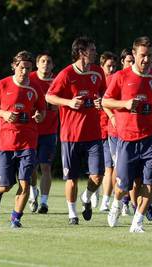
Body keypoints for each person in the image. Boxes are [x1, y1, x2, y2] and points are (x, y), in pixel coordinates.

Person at [103, 36, 152, 233]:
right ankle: (116, 204)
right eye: (142, 56)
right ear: (134, 54)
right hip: (127, 138)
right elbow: (106, 101)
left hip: (151, 138)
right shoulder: (121, 77)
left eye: (150, 56)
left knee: (150, 181)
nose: (146, 60)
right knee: (123, 185)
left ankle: (137, 221)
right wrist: (124, 104)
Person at [46, 36, 106, 225]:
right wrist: (69, 102)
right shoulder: (66, 74)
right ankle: (72, 214)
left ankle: (86, 198)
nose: (95, 53)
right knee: (71, 178)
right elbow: (49, 97)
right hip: (71, 135)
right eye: (92, 49)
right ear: (82, 52)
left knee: (98, 176)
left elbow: (104, 94)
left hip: (94, 134)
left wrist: (100, 101)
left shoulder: (98, 72)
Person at [0, 51, 45, 228]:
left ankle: (16, 218)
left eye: (28, 68)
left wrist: (39, 116)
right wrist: (4, 114)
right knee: (6, 185)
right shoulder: (2, 85)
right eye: (21, 67)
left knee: (25, 183)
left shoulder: (35, 88)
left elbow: (41, 110)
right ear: (14, 66)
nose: (24, 71)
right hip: (5, 143)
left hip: (28, 143)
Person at [27, 52, 57, 214]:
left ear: (53, 65)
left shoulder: (57, 81)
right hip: (30, 130)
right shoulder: (29, 79)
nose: (46, 63)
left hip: (50, 131)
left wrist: (56, 105)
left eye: (49, 61)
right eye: (43, 61)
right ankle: (33, 192)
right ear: (37, 64)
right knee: (31, 167)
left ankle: (44, 203)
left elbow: (65, 102)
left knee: (46, 167)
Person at [97, 51, 118, 212]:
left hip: (112, 128)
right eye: (108, 66)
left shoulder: (116, 79)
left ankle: (108, 199)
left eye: (113, 66)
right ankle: (99, 196)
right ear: (101, 66)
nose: (111, 69)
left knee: (111, 167)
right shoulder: (96, 80)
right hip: (98, 129)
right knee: (105, 168)